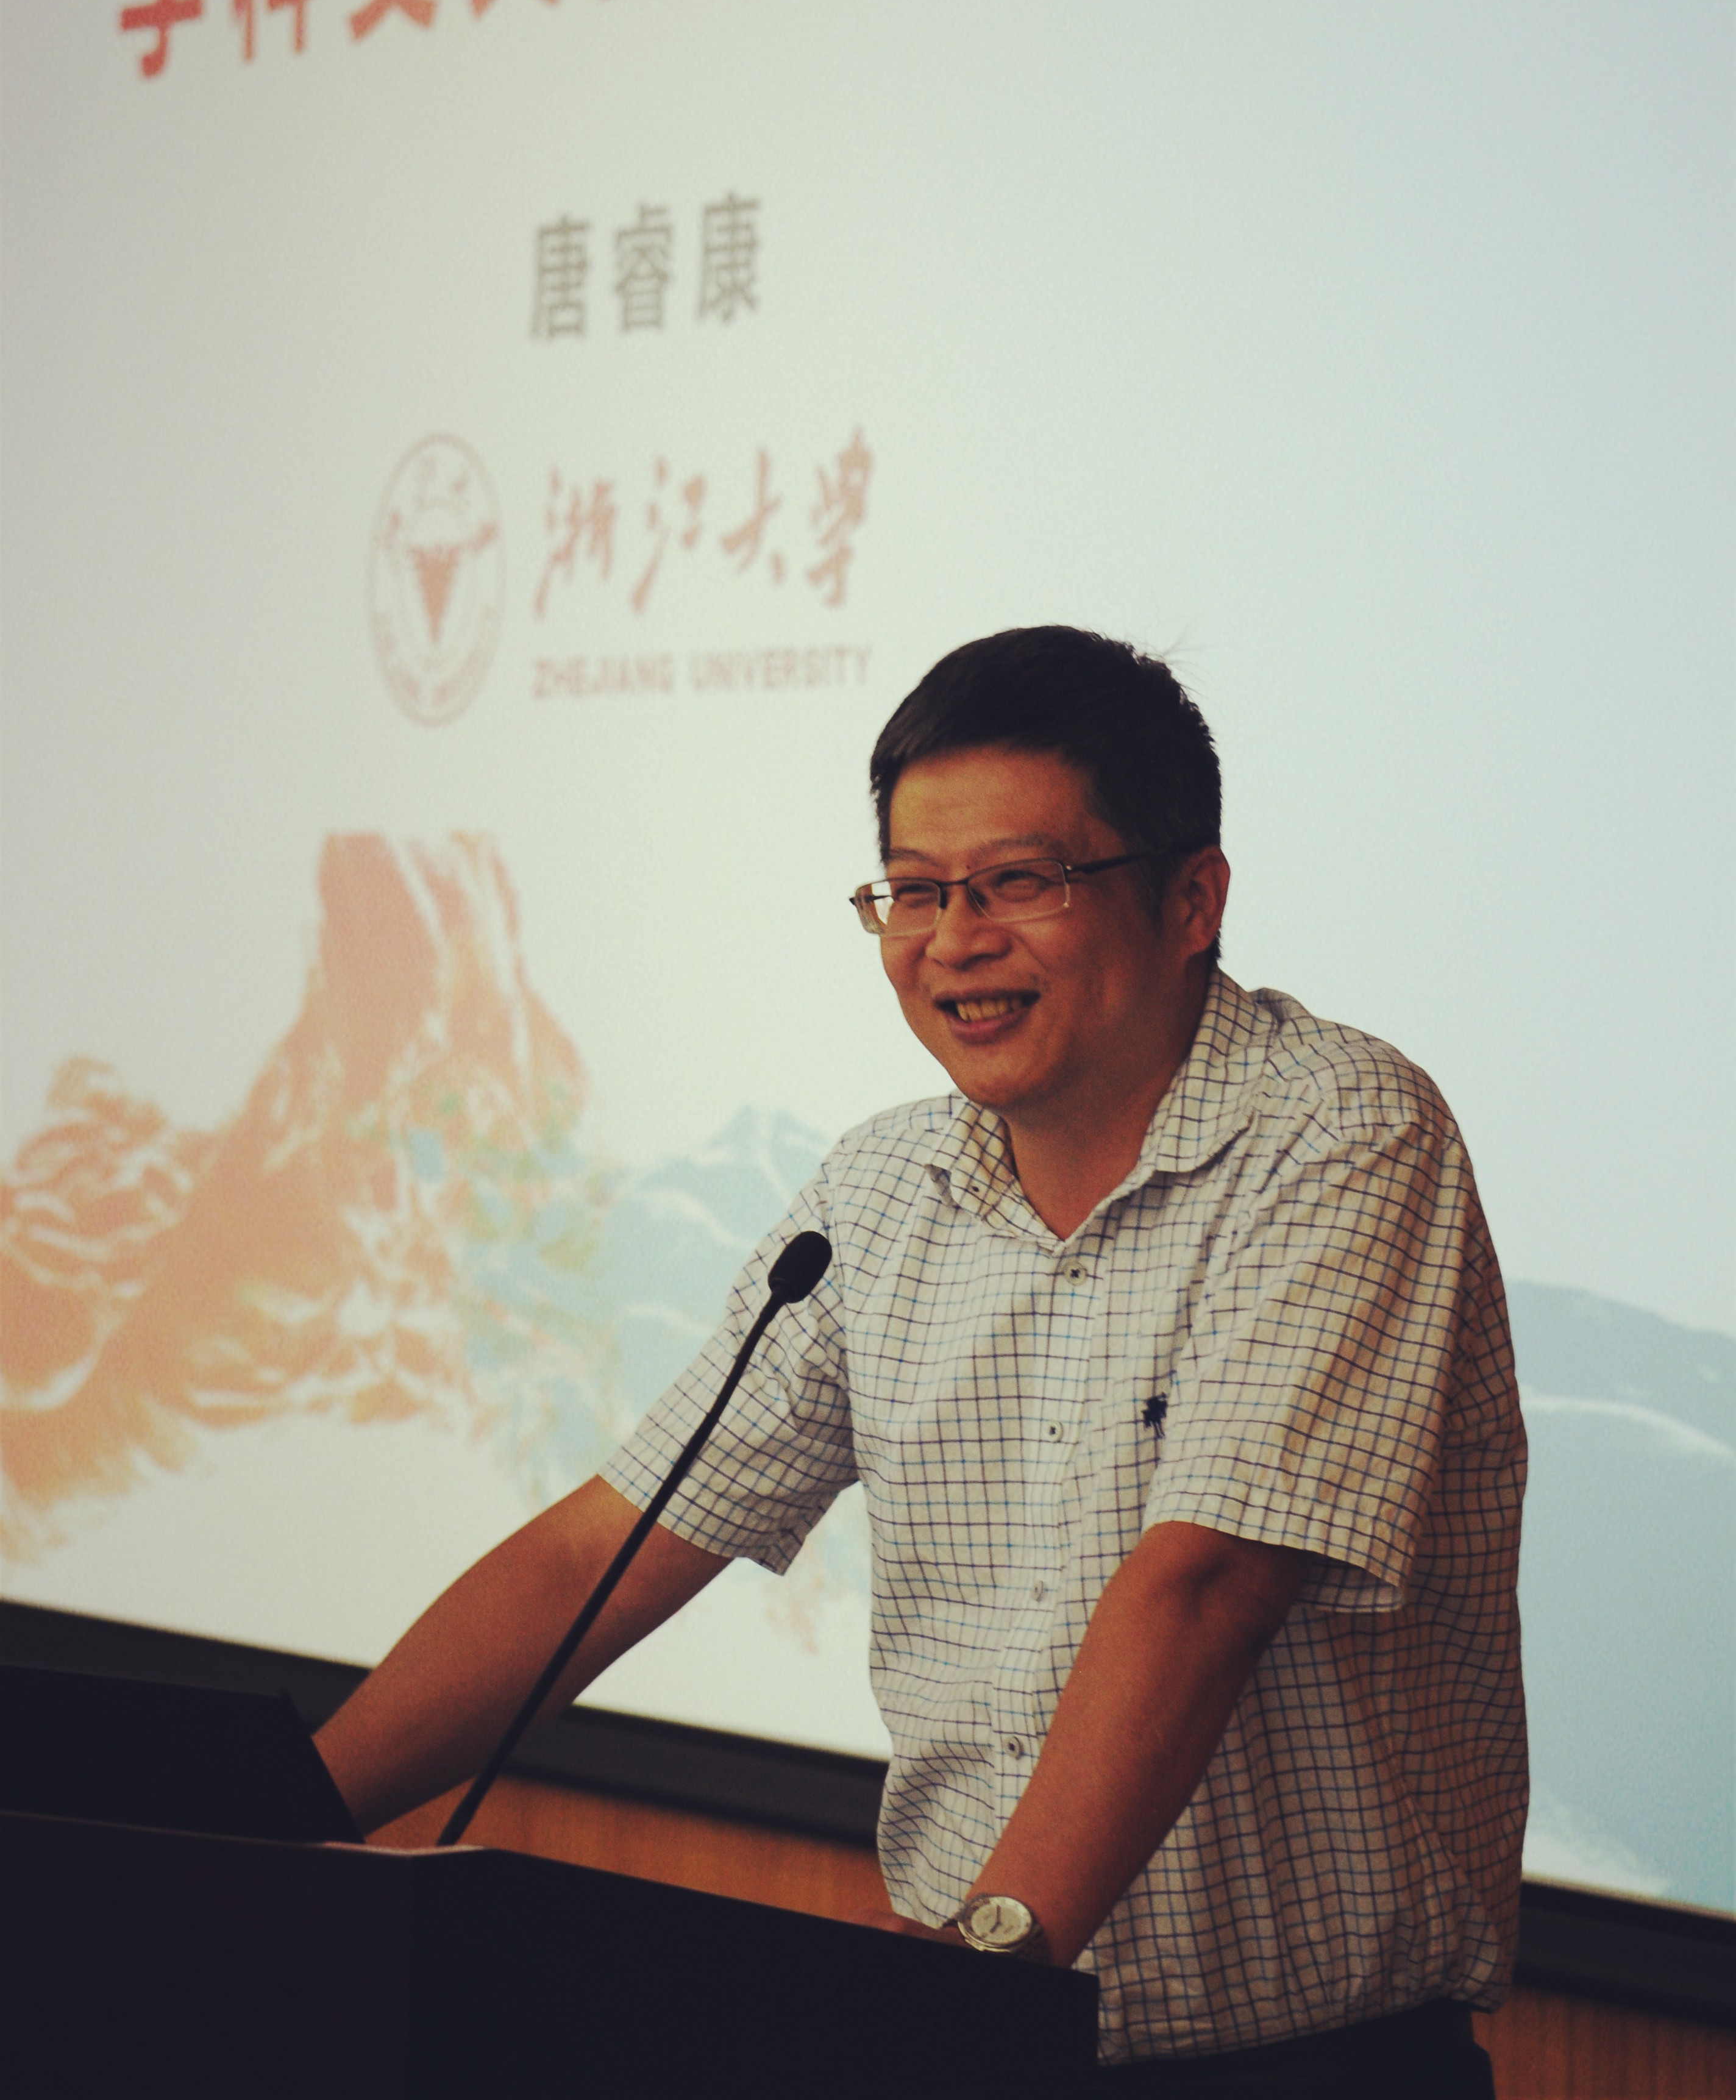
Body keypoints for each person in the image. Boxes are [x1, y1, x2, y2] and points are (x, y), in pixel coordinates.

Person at [316, 627, 1525, 2096]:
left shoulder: (1339, 1131)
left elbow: (1206, 1584)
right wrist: (281, 1818)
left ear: (1189, 900)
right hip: (963, 2029)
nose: (952, 938)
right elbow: (606, 1547)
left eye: (1018, 881)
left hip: (1288, 2064)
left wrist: (987, 1968)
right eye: (913, 888)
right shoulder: (877, 1192)